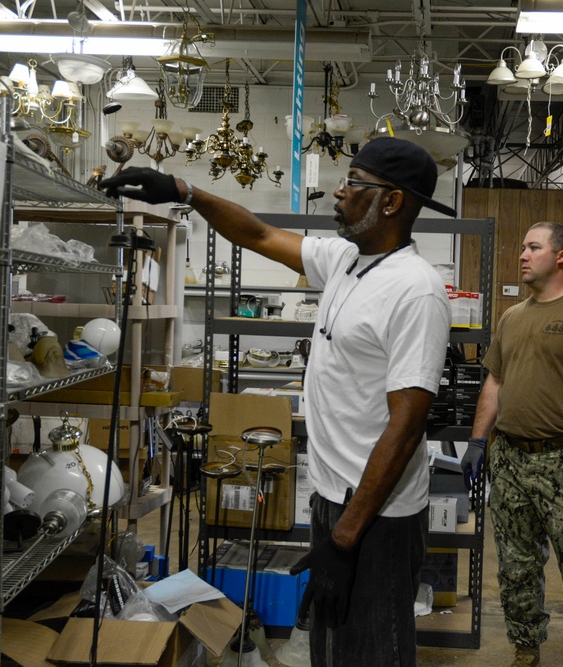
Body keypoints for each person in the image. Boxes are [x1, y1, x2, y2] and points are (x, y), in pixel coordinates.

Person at [100, 137, 453, 666]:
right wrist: (185, 191)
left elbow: (405, 427)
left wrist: (346, 536)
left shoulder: (416, 291)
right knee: (334, 643)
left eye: (353, 183)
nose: (338, 192)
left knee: (374, 649)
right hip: (337, 497)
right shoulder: (346, 260)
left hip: (378, 515)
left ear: (391, 201)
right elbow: (259, 233)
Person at [462, 222, 563, 667]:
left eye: (533, 247)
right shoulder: (513, 317)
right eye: (523, 246)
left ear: (562, 256)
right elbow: (495, 382)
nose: (522, 254)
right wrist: (478, 442)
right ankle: (525, 647)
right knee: (515, 565)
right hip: (511, 459)